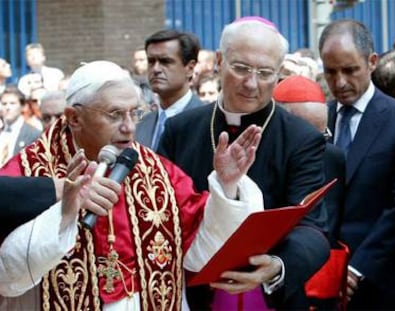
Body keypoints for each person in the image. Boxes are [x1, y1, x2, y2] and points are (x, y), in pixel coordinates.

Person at [0, 60, 265, 310]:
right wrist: (63, 214)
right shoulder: (25, 173)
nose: (129, 128)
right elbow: (7, 275)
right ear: (74, 118)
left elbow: (200, 250)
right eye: (115, 114)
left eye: (135, 113)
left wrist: (227, 186)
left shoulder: (159, 173)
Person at [158, 16, 330, 310]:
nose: (251, 83)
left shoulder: (301, 139)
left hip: (271, 298)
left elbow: (314, 229)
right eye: (240, 68)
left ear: (278, 74)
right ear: (220, 61)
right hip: (193, 294)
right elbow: (159, 212)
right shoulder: (180, 131)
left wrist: (277, 266)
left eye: (265, 73)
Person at [319, 19, 395, 310]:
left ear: (371, 62)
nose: (340, 82)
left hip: (380, 279)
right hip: (322, 277)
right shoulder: (321, 117)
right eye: (331, 72)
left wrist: (356, 268)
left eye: (350, 70)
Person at [0, 149, 121, 308]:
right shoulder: (23, 165)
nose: (128, 128)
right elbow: (9, 272)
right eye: (113, 121)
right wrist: (58, 190)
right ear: (74, 122)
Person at [273, 75, 348, 310]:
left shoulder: (332, 156)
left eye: (322, 135)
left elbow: (331, 222)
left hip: (316, 284)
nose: (315, 145)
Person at [135, 29, 204, 150]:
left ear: (190, 68)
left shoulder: (208, 121)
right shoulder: (141, 125)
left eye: (165, 61)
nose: (156, 69)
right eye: (151, 61)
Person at [0, 85, 41, 167]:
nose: (8, 107)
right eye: (4, 104)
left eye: (12, 103)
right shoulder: (1, 132)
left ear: (23, 106)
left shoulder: (33, 134)